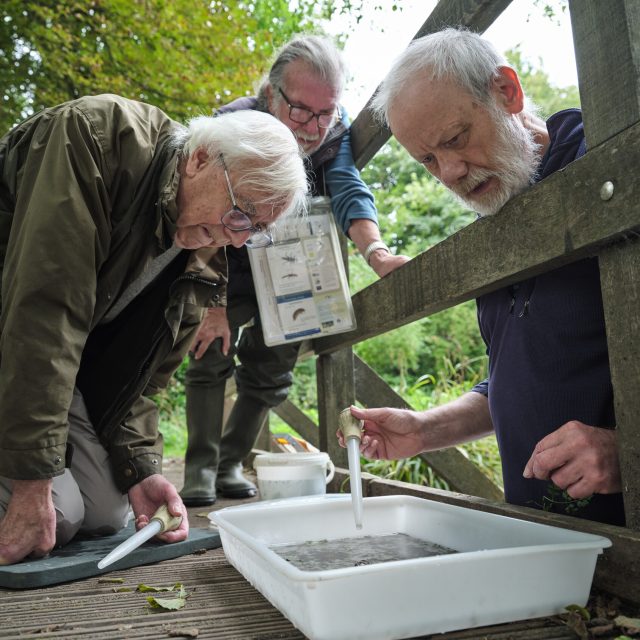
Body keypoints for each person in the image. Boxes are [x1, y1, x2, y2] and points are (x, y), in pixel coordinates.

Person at [0, 93, 308, 565]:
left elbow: (141, 382)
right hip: (16, 332)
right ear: (200, 158)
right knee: (57, 513)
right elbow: (45, 315)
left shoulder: (204, 253)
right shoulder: (97, 137)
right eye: (242, 211)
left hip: (55, 366)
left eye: (257, 229)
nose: (240, 239)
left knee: (109, 512)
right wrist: (30, 483)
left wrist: (141, 469)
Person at [338, 28, 625, 527]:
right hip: (548, 555)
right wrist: (424, 430)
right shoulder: (490, 228)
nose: (448, 172)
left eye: (455, 139)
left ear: (507, 92)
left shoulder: (611, 171)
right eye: (427, 159)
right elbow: (513, 380)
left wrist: (626, 449)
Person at [180, 35, 410, 507]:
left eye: (326, 113)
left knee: (271, 369)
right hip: (226, 263)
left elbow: (348, 189)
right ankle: (199, 468)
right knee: (211, 353)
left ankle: (230, 463)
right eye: (301, 111)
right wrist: (213, 304)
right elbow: (198, 212)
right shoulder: (231, 124)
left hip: (293, 272)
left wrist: (377, 253)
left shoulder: (333, 134)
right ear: (270, 93)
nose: (312, 127)